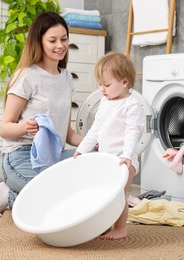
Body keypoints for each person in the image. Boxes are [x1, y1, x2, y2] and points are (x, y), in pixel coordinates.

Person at [0, 12, 83, 218]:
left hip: (52, 156)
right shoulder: (27, 76)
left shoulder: (66, 77)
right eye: (52, 40)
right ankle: (9, 195)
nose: (60, 45)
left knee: (93, 161)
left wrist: (94, 144)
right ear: (39, 41)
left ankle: (22, 193)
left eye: (64, 39)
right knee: (54, 194)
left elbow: (67, 135)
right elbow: (4, 128)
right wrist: (24, 127)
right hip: (20, 156)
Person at [73, 52, 146, 240]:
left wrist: (128, 156)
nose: (102, 90)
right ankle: (105, 225)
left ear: (124, 82)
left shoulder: (132, 105)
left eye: (106, 85)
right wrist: (82, 149)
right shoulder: (105, 103)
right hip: (106, 159)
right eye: (100, 85)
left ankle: (120, 228)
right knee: (105, 195)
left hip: (124, 161)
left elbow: (132, 132)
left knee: (118, 195)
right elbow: (95, 129)